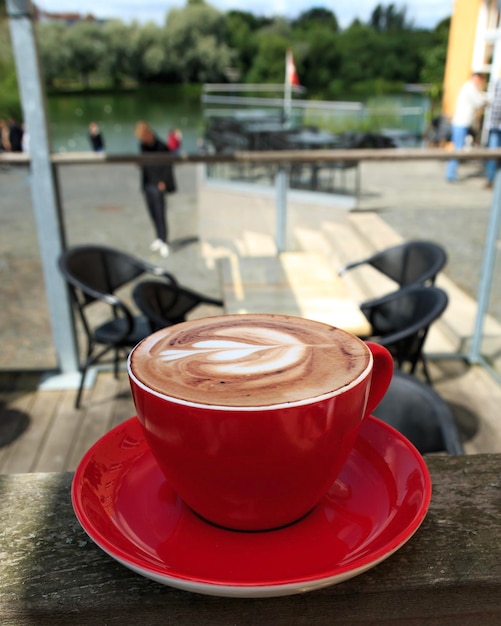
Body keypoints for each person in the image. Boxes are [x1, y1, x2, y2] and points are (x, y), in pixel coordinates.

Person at [134, 121, 173, 258]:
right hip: (147, 184)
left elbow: (168, 166)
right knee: (152, 213)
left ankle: (164, 241)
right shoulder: (143, 146)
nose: (142, 139)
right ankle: (158, 238)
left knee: (160, 213)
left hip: (158, 185)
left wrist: (164, 182)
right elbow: (144, 163)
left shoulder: (162, 146)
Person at [446, 72, 489, 182]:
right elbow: (478, 102)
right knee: (458, 149)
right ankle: (450, 174)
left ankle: (451, 173)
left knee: (459, 148)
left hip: (464, 123)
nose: (480, 82)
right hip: (461, 123)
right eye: (479, 79)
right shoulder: (469, 88)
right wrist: (489, 100)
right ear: (475, 78)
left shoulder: (471, 88)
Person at [485, 77, 501, 188]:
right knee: (492, 153)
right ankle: (490, 179)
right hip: (495, 124)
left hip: (495, 124)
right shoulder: (496, 82)